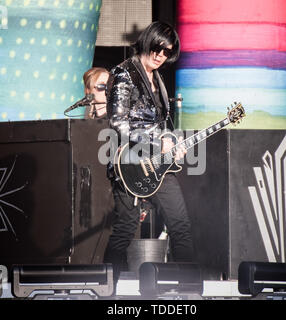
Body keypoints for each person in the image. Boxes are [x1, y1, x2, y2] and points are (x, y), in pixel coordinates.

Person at [103, 21, 194, 282]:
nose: (160, 56)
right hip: (128, 163)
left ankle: (188, 286)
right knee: (125, 228)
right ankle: (109, 288)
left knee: (180, 224)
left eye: (167, 52)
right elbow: (117, 123)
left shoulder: (159, 80)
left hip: (159, 165)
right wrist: (156, 142)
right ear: (147, 42)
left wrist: (175, 145)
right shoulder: (124, 73)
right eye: (157, 48)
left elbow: (161, 125)